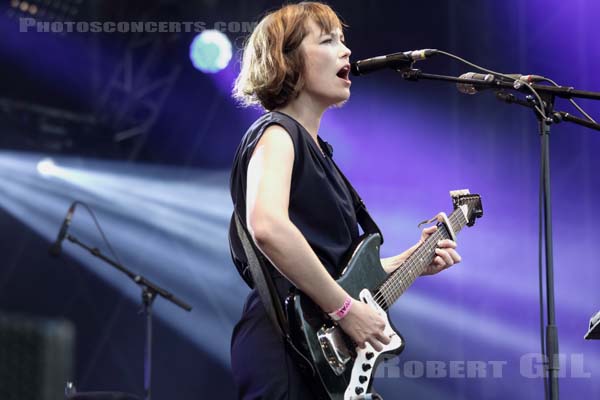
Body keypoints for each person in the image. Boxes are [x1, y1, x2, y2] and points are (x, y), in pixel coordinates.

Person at [228, 2, 461, 399]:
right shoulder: (278, 133)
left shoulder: (321, 153)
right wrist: (346, 311)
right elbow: (266, 226)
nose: (346, 50)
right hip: (285, 344)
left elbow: (340, 269)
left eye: (343, 40)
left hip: (317, 354)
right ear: (288, 62)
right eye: (328, 40)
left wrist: (414, 259)